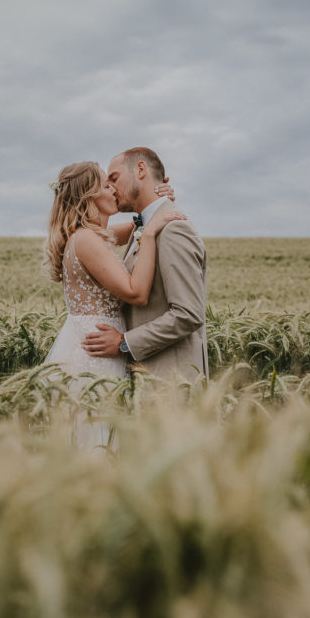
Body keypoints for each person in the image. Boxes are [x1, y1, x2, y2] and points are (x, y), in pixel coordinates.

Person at [43, 160, 185, 451]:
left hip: (97, 346)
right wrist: (150, 232)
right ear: (89, 197)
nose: (114, 189)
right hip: (97, 357)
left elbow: (138, 222)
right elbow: (136, 293)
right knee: (99, 442)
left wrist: (159, 205)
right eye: (107, 185)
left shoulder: (91, 236)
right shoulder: (85, 240)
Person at [82, 147, 208, 383]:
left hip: (172, 383)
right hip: (146, 381)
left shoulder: (174, 228)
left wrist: (124, 343)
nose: (110, 188)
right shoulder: (144, 227)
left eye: (114, 178)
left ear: (141, 170)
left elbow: (189, 313)